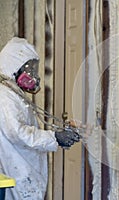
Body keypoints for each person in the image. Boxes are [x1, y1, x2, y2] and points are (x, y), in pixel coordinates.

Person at [0, 37, 80, 199]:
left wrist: (58, 135)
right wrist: (55, 137)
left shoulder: (13, 92)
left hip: (22, 169)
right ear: (13, 67)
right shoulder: (4, 96)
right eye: (28, 68)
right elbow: (18, 133)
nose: (33, 75)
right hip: (16, 171)